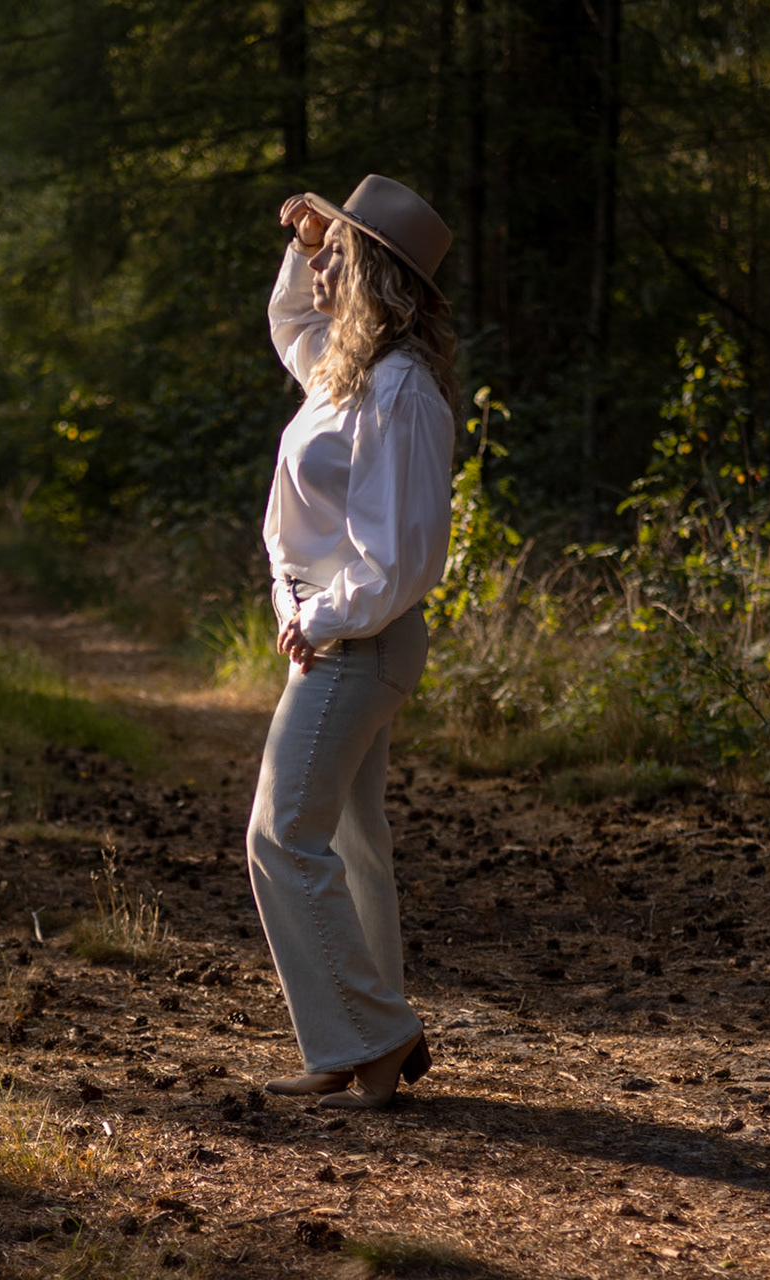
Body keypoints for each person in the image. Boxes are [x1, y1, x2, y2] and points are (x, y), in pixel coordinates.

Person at [246, 174, 460, 1111]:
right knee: (346, 838)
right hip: (346, 638)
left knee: (281, 834)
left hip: (358, 642)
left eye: (336, 255)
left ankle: (374, 1033)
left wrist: (319, 617)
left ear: (374, 273)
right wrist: (304, 241)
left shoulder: (400, 390)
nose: (320, 269)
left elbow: (401, 556)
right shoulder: (347, 370)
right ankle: (353, 1043)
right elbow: (291, 323)